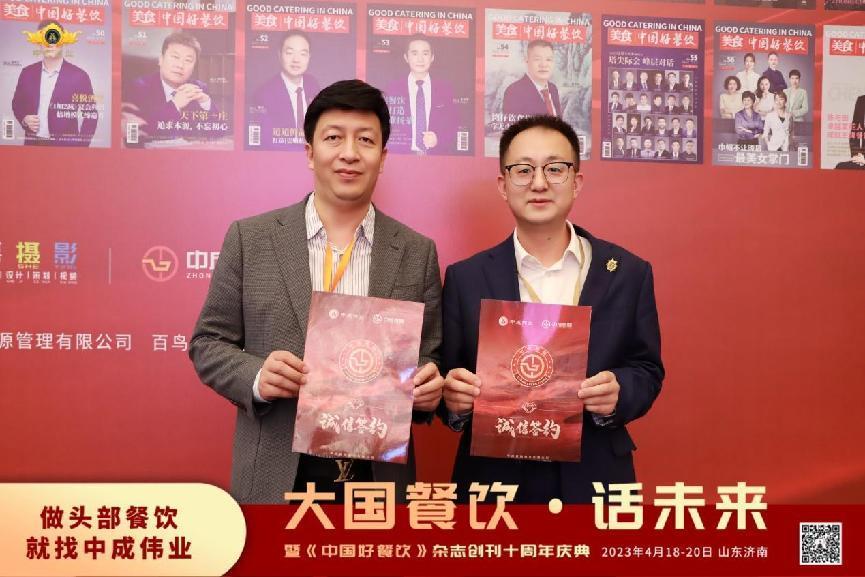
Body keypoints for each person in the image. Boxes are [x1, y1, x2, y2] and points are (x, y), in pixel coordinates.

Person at [189, 80, 445, 503]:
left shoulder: (417, 252)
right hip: (277, 476)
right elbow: (207, 343)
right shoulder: (251, 239)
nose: (349, 153)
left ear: (382, 158)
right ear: (310, 152)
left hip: (376, 478)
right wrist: (257, 376)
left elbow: (429, 354)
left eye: (365, 140)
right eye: (333, 138)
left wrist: (427, 385)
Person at [440, 115, 664, 503]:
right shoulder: (466, 277)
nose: (539, 183)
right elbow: (446, 375)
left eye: (555, 168)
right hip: (494, 481)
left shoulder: (627, 272)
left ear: (576, 181)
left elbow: (647, 368)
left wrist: (619, 391)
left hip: (595, 476)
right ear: (503, 184)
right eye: (523, 170)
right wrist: (453, 399)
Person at [122, 31, 221, 143]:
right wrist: (175, 105)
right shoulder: (138, 88)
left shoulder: (199, 88)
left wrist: (205, 102)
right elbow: (132, 137)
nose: (180, 65)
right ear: (161, 59)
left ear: (193, 67)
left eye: (188, 60)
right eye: (175, 57)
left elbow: (218, 133)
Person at [12, 19, 98, 146]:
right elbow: (17, 104)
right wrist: (24, 119)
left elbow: (91, 115)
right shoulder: (27, 73)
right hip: (32, 145)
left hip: (66, 149)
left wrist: (81, 147)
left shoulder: (79, 76)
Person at [386, 34, 458, 155]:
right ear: (406, 57)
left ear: (432, 57)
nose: (420, 59)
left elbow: (454, 123)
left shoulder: (445, 90)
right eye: (414, 53)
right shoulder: (392, 89)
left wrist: (439, 139)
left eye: (425, 53)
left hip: (436, 157)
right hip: (401, 157)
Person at [249, 30, 320, 149]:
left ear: (309, 57)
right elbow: (265, 140)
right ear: (279, 54)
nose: (296, 59)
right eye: (290, 53)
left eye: (303, 54)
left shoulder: (312, 84)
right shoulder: (264, 94)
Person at [503, 40, 562, 119]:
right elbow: (512, 126)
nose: (543, 65)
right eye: (537, 59)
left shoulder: (553, 89)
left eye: (548, 59)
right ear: (527, 60)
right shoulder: (514, 91)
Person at [783, 69, 808, 138]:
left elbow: (805, 109)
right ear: (789, 79)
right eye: (792, 78)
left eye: (796, 78)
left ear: (799, 80)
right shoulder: (785, 91)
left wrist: (792, 113)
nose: (794, 81)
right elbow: (781, 106)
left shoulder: (803, 92)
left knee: (797, 140)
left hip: (798, 121)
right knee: (785, 140)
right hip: (785, 121)